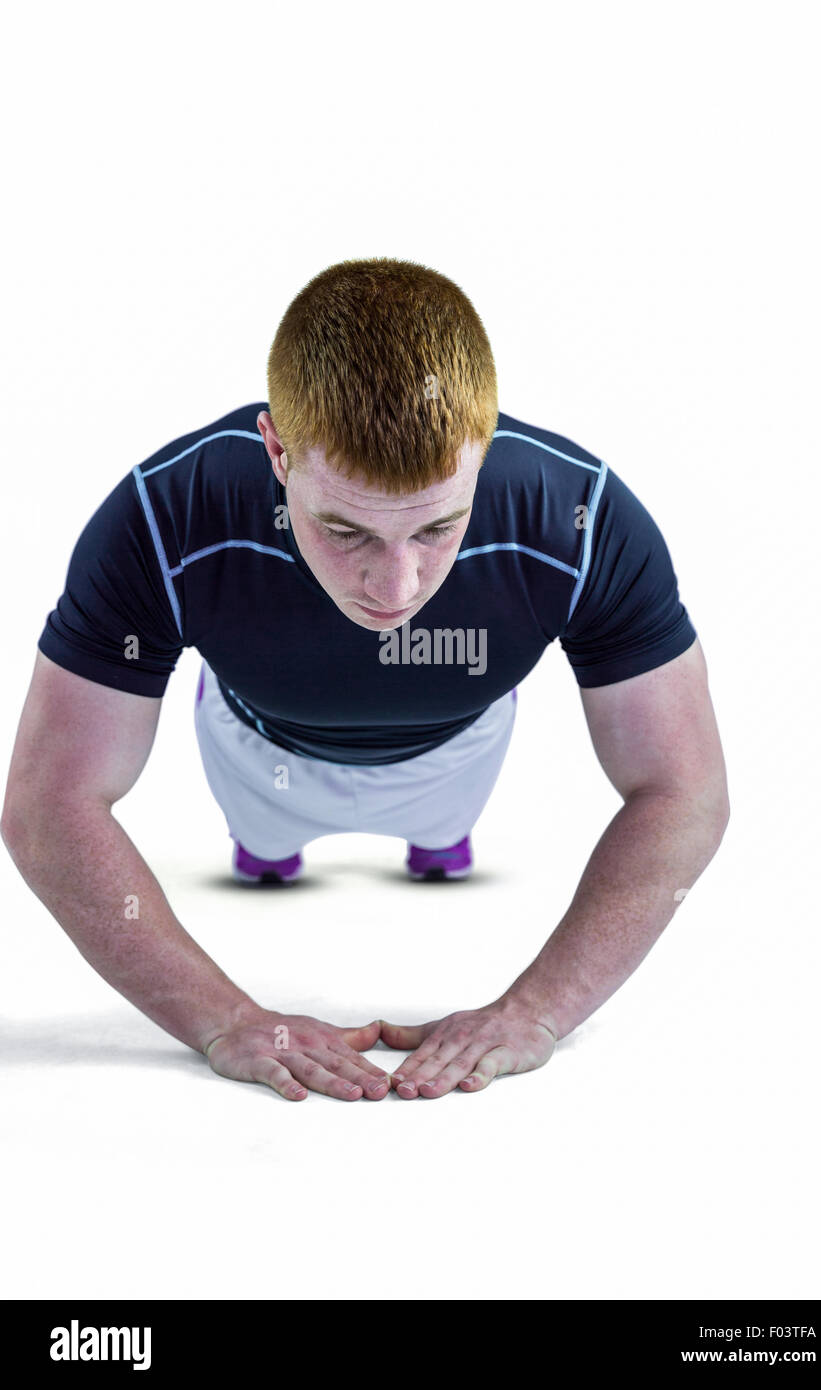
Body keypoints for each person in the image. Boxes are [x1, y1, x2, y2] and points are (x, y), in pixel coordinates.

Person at [0, 257, 729, 1104]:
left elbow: (685, 790)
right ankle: (273, 844)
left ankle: (433, 837)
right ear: (276, 452)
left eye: (437, 527)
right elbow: (47, 806)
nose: (396, 590)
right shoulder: (167, 514)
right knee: (265, 852)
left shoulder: (584, 517)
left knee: (441, 840)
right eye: (345, 529)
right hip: (256, 751)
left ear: (483, 453)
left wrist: (539, 1011)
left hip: (461, 750)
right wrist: (221, 1018)